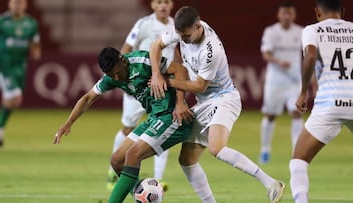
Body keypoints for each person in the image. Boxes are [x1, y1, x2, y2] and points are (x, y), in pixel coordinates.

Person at [150, 6, 286, 203]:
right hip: (205, 102)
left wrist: (167, 81)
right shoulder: (182, 31)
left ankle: (271, 183)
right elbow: (156, 46)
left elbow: (199, 86)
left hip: (224, 99)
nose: (183, 40)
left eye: (186, 36)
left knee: (217, 148)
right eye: (180, 36)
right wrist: (156, 74)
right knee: (187, 160)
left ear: (197, 27)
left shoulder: (210, 49)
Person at [53, 47, 196, 203]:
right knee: (117, 161)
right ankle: (146, 197)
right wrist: (68, 123)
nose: (116, 77)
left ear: (122, 60)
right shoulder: (113, 77)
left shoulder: (142, 61)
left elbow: (180, 70)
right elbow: (88, 98)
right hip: (154, 118)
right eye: (111, 75)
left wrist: (180, 102)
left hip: (172, 116)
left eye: (116, 72)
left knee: (132, 155)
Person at [107, 0, 176, 191]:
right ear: (153, 5)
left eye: (167, 1)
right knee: (127, 128)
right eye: (159, 2)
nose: (163, 5)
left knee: (164, 127)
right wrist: (125, 79)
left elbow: (175, 55)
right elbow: (126, 49)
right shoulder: (143, 24)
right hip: (139, 83)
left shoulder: (175, 26)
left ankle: (158, 179)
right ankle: (113, 173)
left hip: (161, 86)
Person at [289, 0, 353, 202]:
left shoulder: (312, 30)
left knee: (298, 160)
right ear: (342, 11)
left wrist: (303, 92)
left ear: (317, 12)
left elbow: (310, 56)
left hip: (330, 103)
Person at [259, 1, 303, 163]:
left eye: (289, 13)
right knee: (270, 115)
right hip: (275, 80)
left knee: (296, 112)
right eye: (284, 13)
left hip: (295, 80)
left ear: (294, 15)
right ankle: (265, 150)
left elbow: (309, 55)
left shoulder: (301, 32)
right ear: (279, 15)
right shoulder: (271, 32)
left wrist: (311, 77)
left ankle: (296, 151)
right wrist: (278, 61)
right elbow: (266, 54)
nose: (286, 17)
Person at [0, 0, 41, 152]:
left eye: (20, 2)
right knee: (15, 97)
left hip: (20, 68)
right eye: (14, 2)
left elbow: (35, 43)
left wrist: (35, 50)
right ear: (9, 4)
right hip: (3, 67)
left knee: (13, 101)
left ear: (25, 5)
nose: (17, 5)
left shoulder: (31, 23)